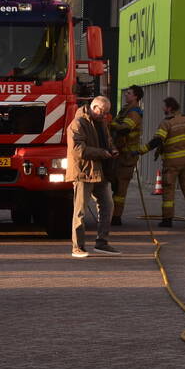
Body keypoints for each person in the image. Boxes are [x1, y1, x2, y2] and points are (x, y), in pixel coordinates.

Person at [65, 95, 120, 257]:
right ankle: (77, 247)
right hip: (83, 173)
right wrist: (102, 153)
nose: (105, 116)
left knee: (107, 206)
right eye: (103, 112)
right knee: (80, 211)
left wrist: (112, 149)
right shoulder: (77, 124)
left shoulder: (101, 122)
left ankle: (102, 243)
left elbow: (107, 140)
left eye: (107, 113)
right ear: (94, 107)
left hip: (99, 172)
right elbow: (78, 150)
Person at [139, 97, 185, 228]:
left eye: (164, 106)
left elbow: (157, 141)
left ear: (169, 108)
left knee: (168, 191)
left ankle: (167, 220)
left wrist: (141, 151)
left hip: (172, 162)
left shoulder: (166, 123)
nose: (162, 109)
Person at [109, 85, 144, 226]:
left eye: (129, 93)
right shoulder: (125, 110)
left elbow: (125, 128)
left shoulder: (134, 112)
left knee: (120, 188)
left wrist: (110, 124)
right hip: (119, 154)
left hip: (127, 156)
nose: (126, 95)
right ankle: (112, 214)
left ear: (136, 96)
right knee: (114, 184)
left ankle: (116, 217)